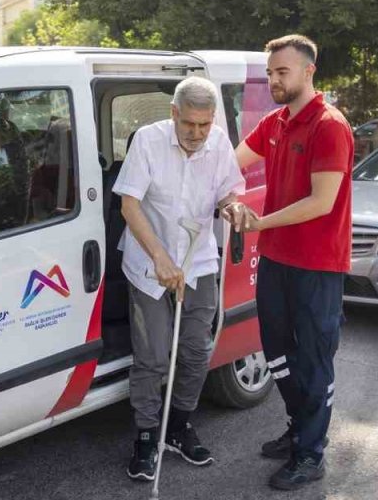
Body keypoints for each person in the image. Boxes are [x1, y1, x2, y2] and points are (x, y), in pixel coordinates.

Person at [227, 35, 353, 491]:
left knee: (314, 359)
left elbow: (322, 202)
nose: (274, 80)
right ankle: (298, 426)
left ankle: (311, 453)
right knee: (277, 352)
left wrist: (259, 222)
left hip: (318, 265)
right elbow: (230, 163)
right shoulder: (274, 122)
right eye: (270, 73)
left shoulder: (329, 125)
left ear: (308, 72)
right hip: (277, 260)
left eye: (282, 72)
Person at [113, 77, 245, 482]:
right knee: (152, 357)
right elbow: (129, 206)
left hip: (199, 262)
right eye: (189, 124)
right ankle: (148, 435)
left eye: (204, 125)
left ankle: (178, 426)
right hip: (150, 263)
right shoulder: (149, 141)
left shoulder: (218, 142)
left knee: (194, 351)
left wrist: (232, 207)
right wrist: (160, 258)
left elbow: (228, 191)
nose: (197, 134)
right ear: (173, 114)